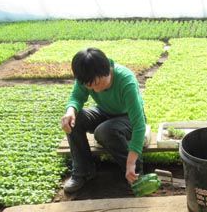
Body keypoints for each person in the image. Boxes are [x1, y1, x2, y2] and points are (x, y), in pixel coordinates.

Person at [61, 48, 146, 193]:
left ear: (107, 70)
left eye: (97, 83)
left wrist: (131, 163)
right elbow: (77, 97)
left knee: (104, 131)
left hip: (128, 118)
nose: (94, 88)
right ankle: (83, 172)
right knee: (76, 119)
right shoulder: (87, 76)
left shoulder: (126, 80)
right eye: (89, 86)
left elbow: (139, 125)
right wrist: (70, 111)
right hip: (104, 111)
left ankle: (135, 174)